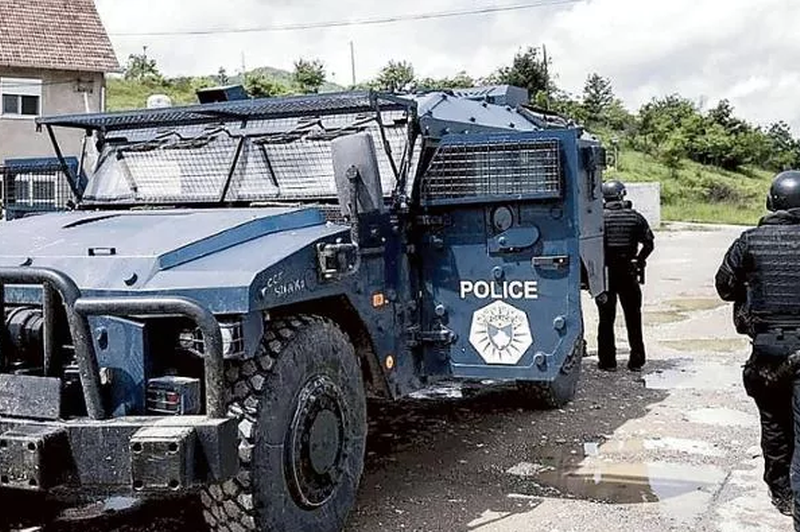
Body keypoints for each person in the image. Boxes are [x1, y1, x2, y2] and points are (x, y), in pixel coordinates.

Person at [716, 170, 800, 524]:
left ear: (772, 201)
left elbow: (724, 286)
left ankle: (780, 492)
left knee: (774, 425)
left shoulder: (749, 241)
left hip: (766, 353)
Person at [596, 180, 654, 372]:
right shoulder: (634, 217)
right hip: (628, 272)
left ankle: (607, 362)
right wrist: (639, 260)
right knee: (633, 317)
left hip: (605, 274)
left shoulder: (598, 218)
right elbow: (649, 244)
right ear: (622, 195)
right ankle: (636, 360)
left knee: (605, 319)